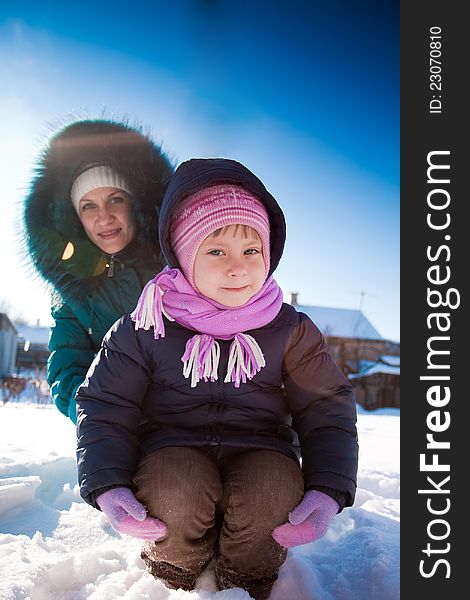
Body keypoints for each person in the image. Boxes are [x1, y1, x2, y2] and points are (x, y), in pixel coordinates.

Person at [75, 158, 359, 600]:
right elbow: (106, 404)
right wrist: (107, 483)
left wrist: (327, 489)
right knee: (176, 489)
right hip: (170, 451)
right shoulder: (147, 323)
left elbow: (326, 409)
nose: (237, 267)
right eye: (216, 251)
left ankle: (247, 577)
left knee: (272, 492)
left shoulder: (291, 330)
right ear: (185, 257)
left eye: (251, 251)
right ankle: (177, 569)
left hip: (262, 451)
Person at [23, 119, 174, 422]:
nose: (104, 217)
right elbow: (68, 363)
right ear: (76, 217)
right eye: (89, 206)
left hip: (184, 419)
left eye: (115, 199)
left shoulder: (175, 268)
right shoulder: (71, 291)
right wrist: (96, 407)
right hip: (116, 425)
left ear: (136, 205)